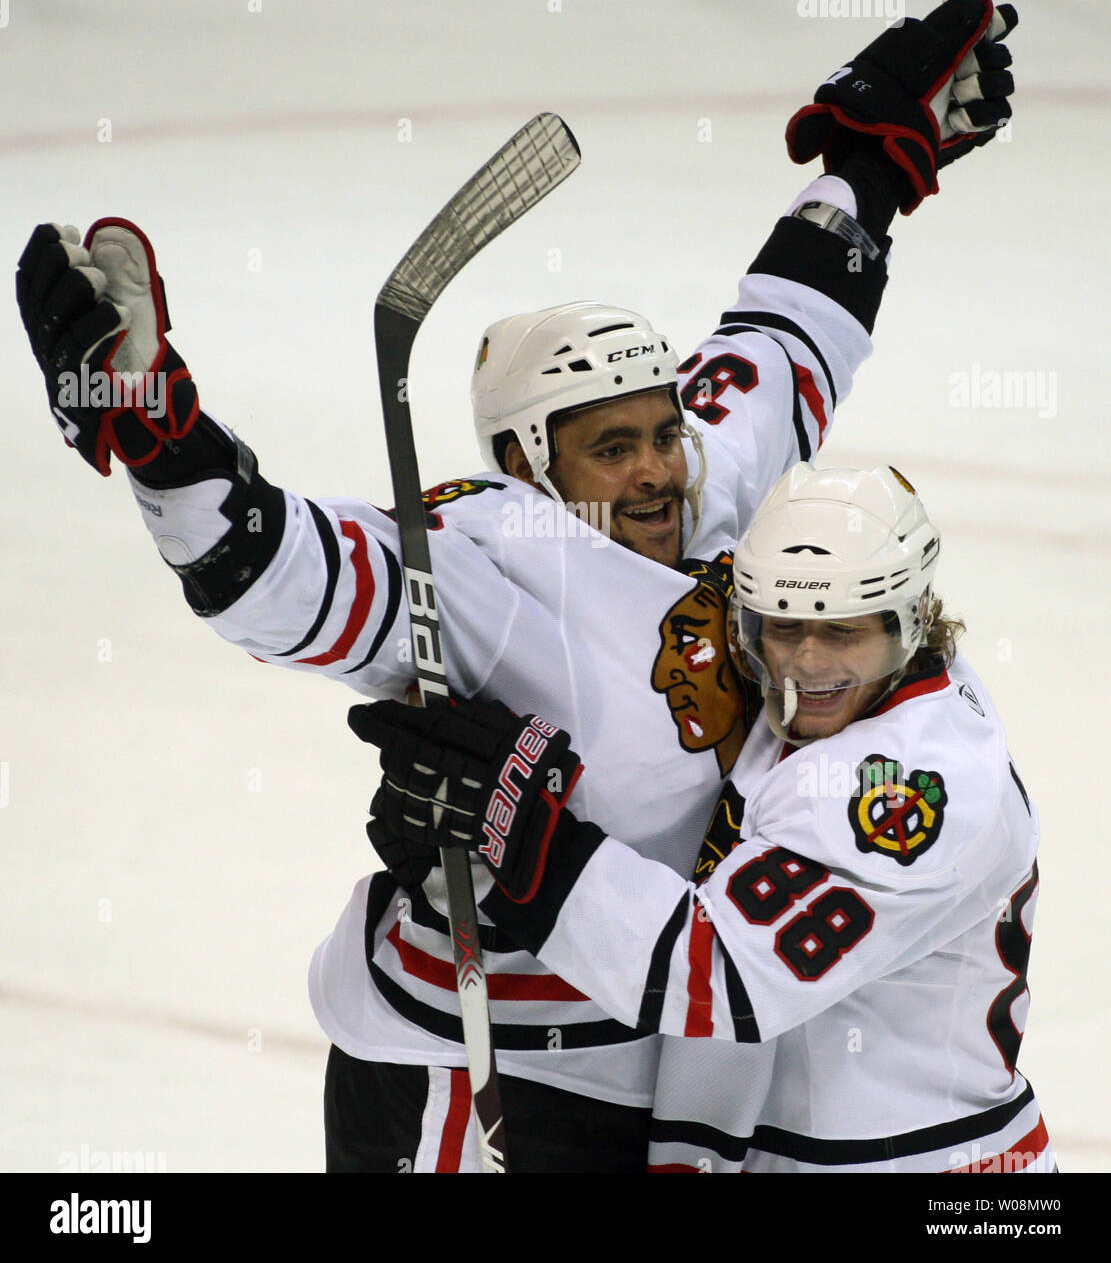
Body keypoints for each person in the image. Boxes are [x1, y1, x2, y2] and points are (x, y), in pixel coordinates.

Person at [16, 0, 1017, 1172]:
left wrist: (873, 164)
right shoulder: (483, 561)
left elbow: (784, 338)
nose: (656, 473)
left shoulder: (703, 480)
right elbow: (279, 572)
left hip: (645, 1046)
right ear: (524, 463)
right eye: (612, 447)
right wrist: (163, 441)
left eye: (663, 430)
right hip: (464, 1053)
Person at [354, 463, 1053, 1173]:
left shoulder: (905, 783)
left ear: (909, 620)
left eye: (840, 632)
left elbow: (718, 976)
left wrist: (522, 834)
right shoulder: (849, 705)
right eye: (782, 629)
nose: (804, 665)